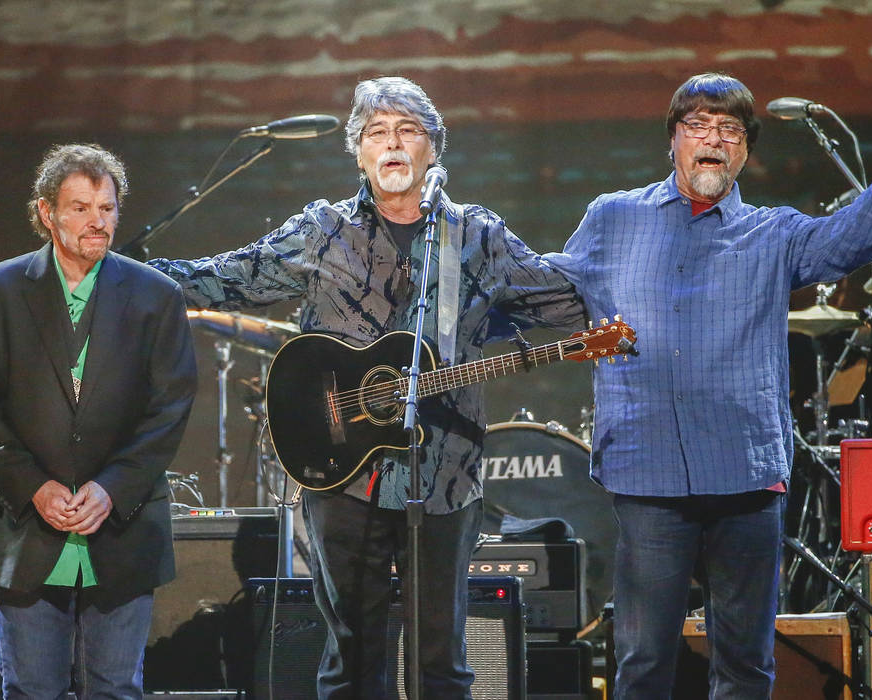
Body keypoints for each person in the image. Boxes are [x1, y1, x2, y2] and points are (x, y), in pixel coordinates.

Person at [149, 76, 584, 698]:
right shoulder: (324, 230)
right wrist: (129, 275)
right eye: (377, 133)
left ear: (433, 147)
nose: (393, 144)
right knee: (352, 656)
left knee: (444, 660)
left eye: (408, 131)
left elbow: (560, 304)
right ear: (358, 151)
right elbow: (228, 279)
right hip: (341, 472)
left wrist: (495, 319)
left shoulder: (474, 235)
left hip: (445, 474)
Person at [544, 72, 872, 698]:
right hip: (648, 471)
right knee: (642, 659)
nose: (713, 140)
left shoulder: (772, 232)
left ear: (745, 149)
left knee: (746, 661)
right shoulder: (612, 218)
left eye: (729, 130)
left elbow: (843, 243)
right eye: (698, 126)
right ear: (672, 139)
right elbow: (550, 288)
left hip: (746, 471)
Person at [0, 144, 198, 699]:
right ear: (47, 213)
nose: (97, 222)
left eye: (107, 209)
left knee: (115, 688)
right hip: (23, 529)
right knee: (32, 687)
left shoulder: (156, 296)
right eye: (81, 208)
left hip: (122, 527)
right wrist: (33, 487)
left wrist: (112, 489)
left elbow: (171, 406)